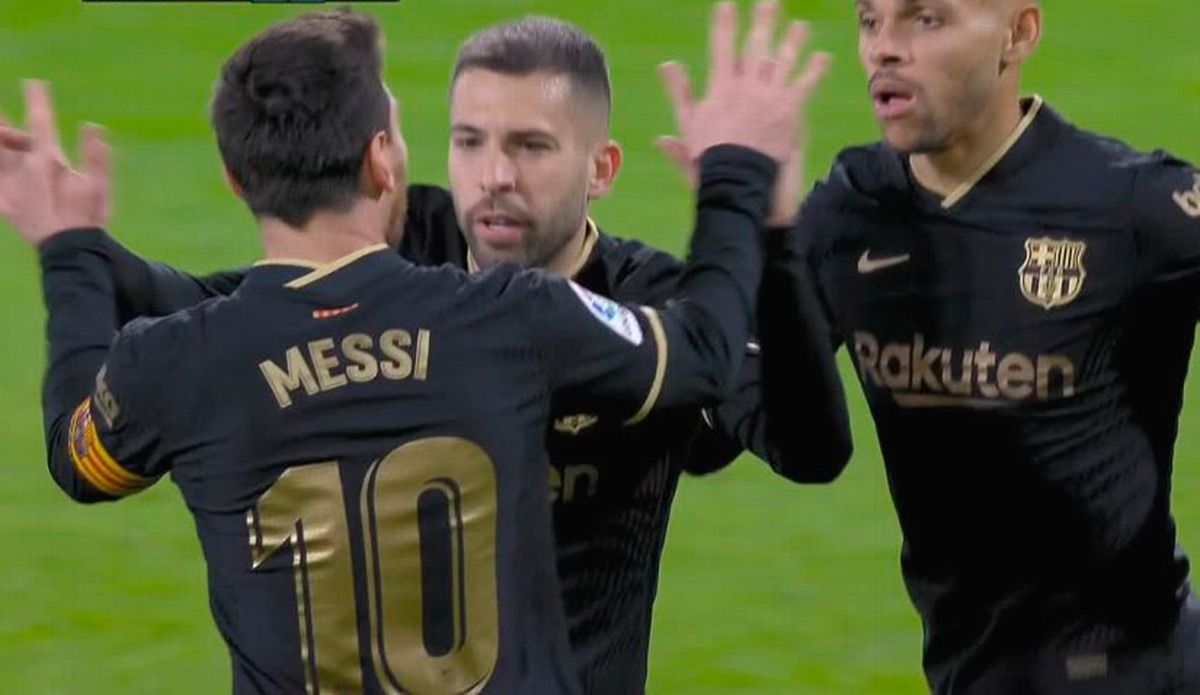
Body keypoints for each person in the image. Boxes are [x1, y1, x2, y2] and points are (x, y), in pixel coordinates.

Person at [0, 5, 830, 693]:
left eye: (530, 146)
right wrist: (744, 189)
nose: (493, 175)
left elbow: (808, 447)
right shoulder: (451, 274)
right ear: (388, 162)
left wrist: (73, 245)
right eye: (468, 141)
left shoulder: (634, 290)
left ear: (601, 167)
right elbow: (221, 305)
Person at [690, 0, 1198, 691]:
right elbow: (792, 443)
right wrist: (760, 231)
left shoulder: (1135, 207)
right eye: (869, 21)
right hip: (969, 671)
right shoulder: (848, 210)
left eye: (925, 20)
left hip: (1143, 670)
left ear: (1019, 33)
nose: (884, 49)